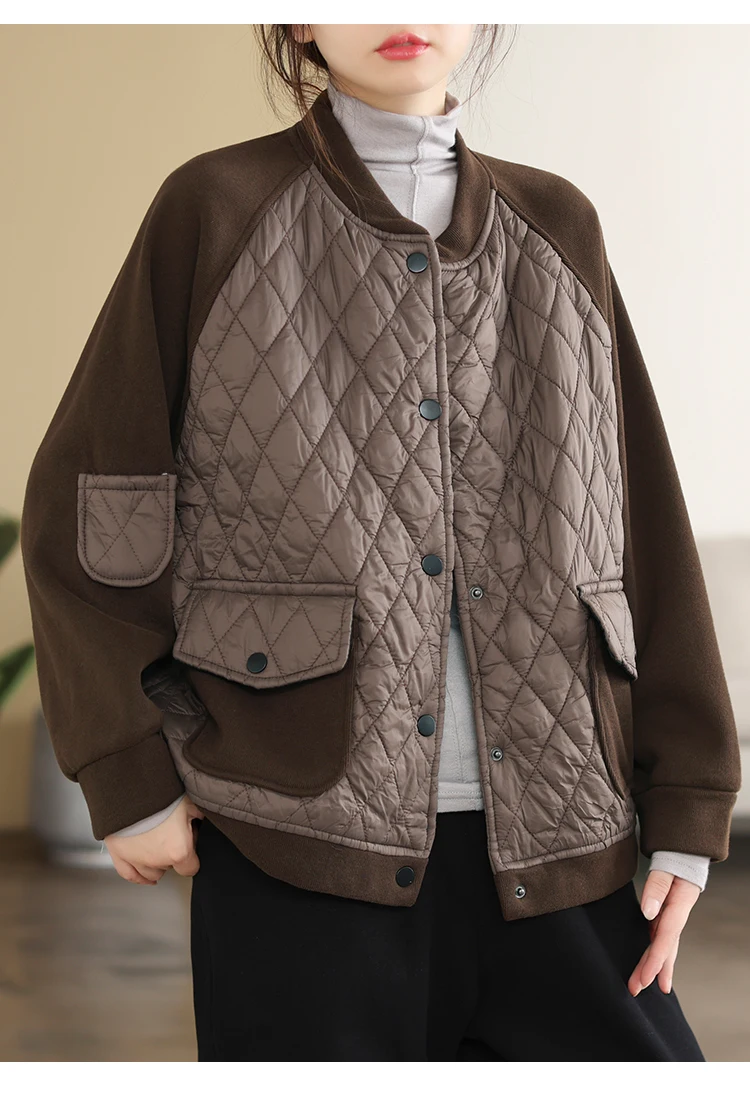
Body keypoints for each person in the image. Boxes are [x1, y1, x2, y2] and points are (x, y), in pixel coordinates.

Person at [20, 25, 741, 1062]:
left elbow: (640, 519)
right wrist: (126, 770)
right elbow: (98, 497)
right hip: (296, 841)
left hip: (564, 834)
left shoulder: (558, 223)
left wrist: (690, 795)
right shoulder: (213, 208)